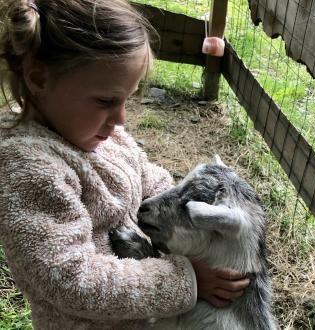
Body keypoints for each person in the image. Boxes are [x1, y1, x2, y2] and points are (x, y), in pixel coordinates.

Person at [0, 0, 250, 329]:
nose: (121, 119)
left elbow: (148, 177)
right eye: (107, 101)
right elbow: (74, 281)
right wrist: (186, 281)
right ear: (39, 80)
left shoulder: (97, 133)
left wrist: (182, 218)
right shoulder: (28, 169)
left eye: (126, 99)